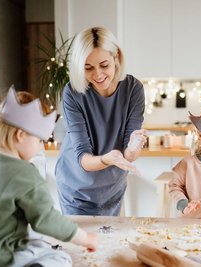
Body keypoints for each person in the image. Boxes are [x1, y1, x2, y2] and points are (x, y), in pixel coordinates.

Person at [0, 87, 97, 267]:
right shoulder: (23, 173)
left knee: (36, 241)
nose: (40, 147)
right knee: (60, 258)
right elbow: (46, 219)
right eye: (39, 140)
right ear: (21, 135)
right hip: (1, 258)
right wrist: (84, 238)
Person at [55, 26, 147, 216]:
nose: (97, 75)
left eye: (104, 65)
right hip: (76, 190)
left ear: (116, 57)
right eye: (88, 68)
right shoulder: (73, 93)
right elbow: (83, 157)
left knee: (110, 243)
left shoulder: (133, 89)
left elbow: (128, 155)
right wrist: (107, 158)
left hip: (112, 188)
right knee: (81, 245)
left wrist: (133, 146)